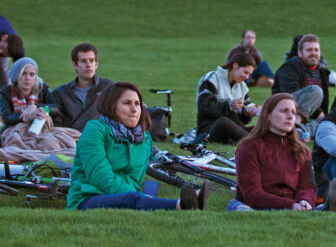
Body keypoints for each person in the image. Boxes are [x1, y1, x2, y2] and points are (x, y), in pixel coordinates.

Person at [67, 81, 208, 211]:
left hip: (127, 195)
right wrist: (132, 194)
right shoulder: (95, 130)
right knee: (133, 198)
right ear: (112, 106)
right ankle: (181, 205)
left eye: (137, 103)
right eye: (127, 103)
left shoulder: (143, 137)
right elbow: (98, 175)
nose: (134, 109)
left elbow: (138, 175)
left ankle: (195, 199)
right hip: (87, 198)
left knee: (133, 198)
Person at [231, 93, 325, 211]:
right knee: (242, 209)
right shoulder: (249, 147)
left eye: (293, 112)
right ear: (268, 115)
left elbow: (307, 186)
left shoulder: (302, 151)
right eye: (284, 111)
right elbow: (252, 194)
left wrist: (304, 201)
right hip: (257, 205)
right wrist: (291, 205)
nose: (291, 117)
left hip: (293, 206)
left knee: (319, 209)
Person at [196, 52, 260, 143]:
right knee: (223, 122)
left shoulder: (243, 87)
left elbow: (243, 120)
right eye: (245, 72)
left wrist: (249, 112)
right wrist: (230, 105)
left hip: (233, 129)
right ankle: (252, 142)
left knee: (258, 128)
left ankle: (255, 141)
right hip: (209, 129)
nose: (247, 77)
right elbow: (205, 108)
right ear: (235, 66)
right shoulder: (211, 79)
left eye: (249, 74)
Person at [272, 34, 330, 133]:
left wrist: (323, 115)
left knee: (326, 123)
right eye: (309, 50)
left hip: (309, 114)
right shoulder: (289, 68)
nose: (313, 53)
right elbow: (288, 97)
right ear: (300, 53)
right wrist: (318, 112)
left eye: (316, 50)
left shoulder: (322, 72)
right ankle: (295, 123)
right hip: (285, 110)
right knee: (316, 91)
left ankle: (299, 131)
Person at [53, 43, 114, 132]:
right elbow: (57, 124)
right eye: (83, 61)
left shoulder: (107, 87)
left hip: (99, 137)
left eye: (91, 60)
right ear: (74, 65)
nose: (88, 65)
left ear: (96, 64)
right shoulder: (61, 93)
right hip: (70, 139)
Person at [0, 57, 57, 139]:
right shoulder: (6, 92)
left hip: (40, 129)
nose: (28, 78)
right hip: (14, 131)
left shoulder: (42, 88)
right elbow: (7, 118)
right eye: (23, 74)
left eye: (32, 74)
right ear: (16, 75)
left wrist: (37, 108)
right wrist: (28, 116)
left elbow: (55, 107)